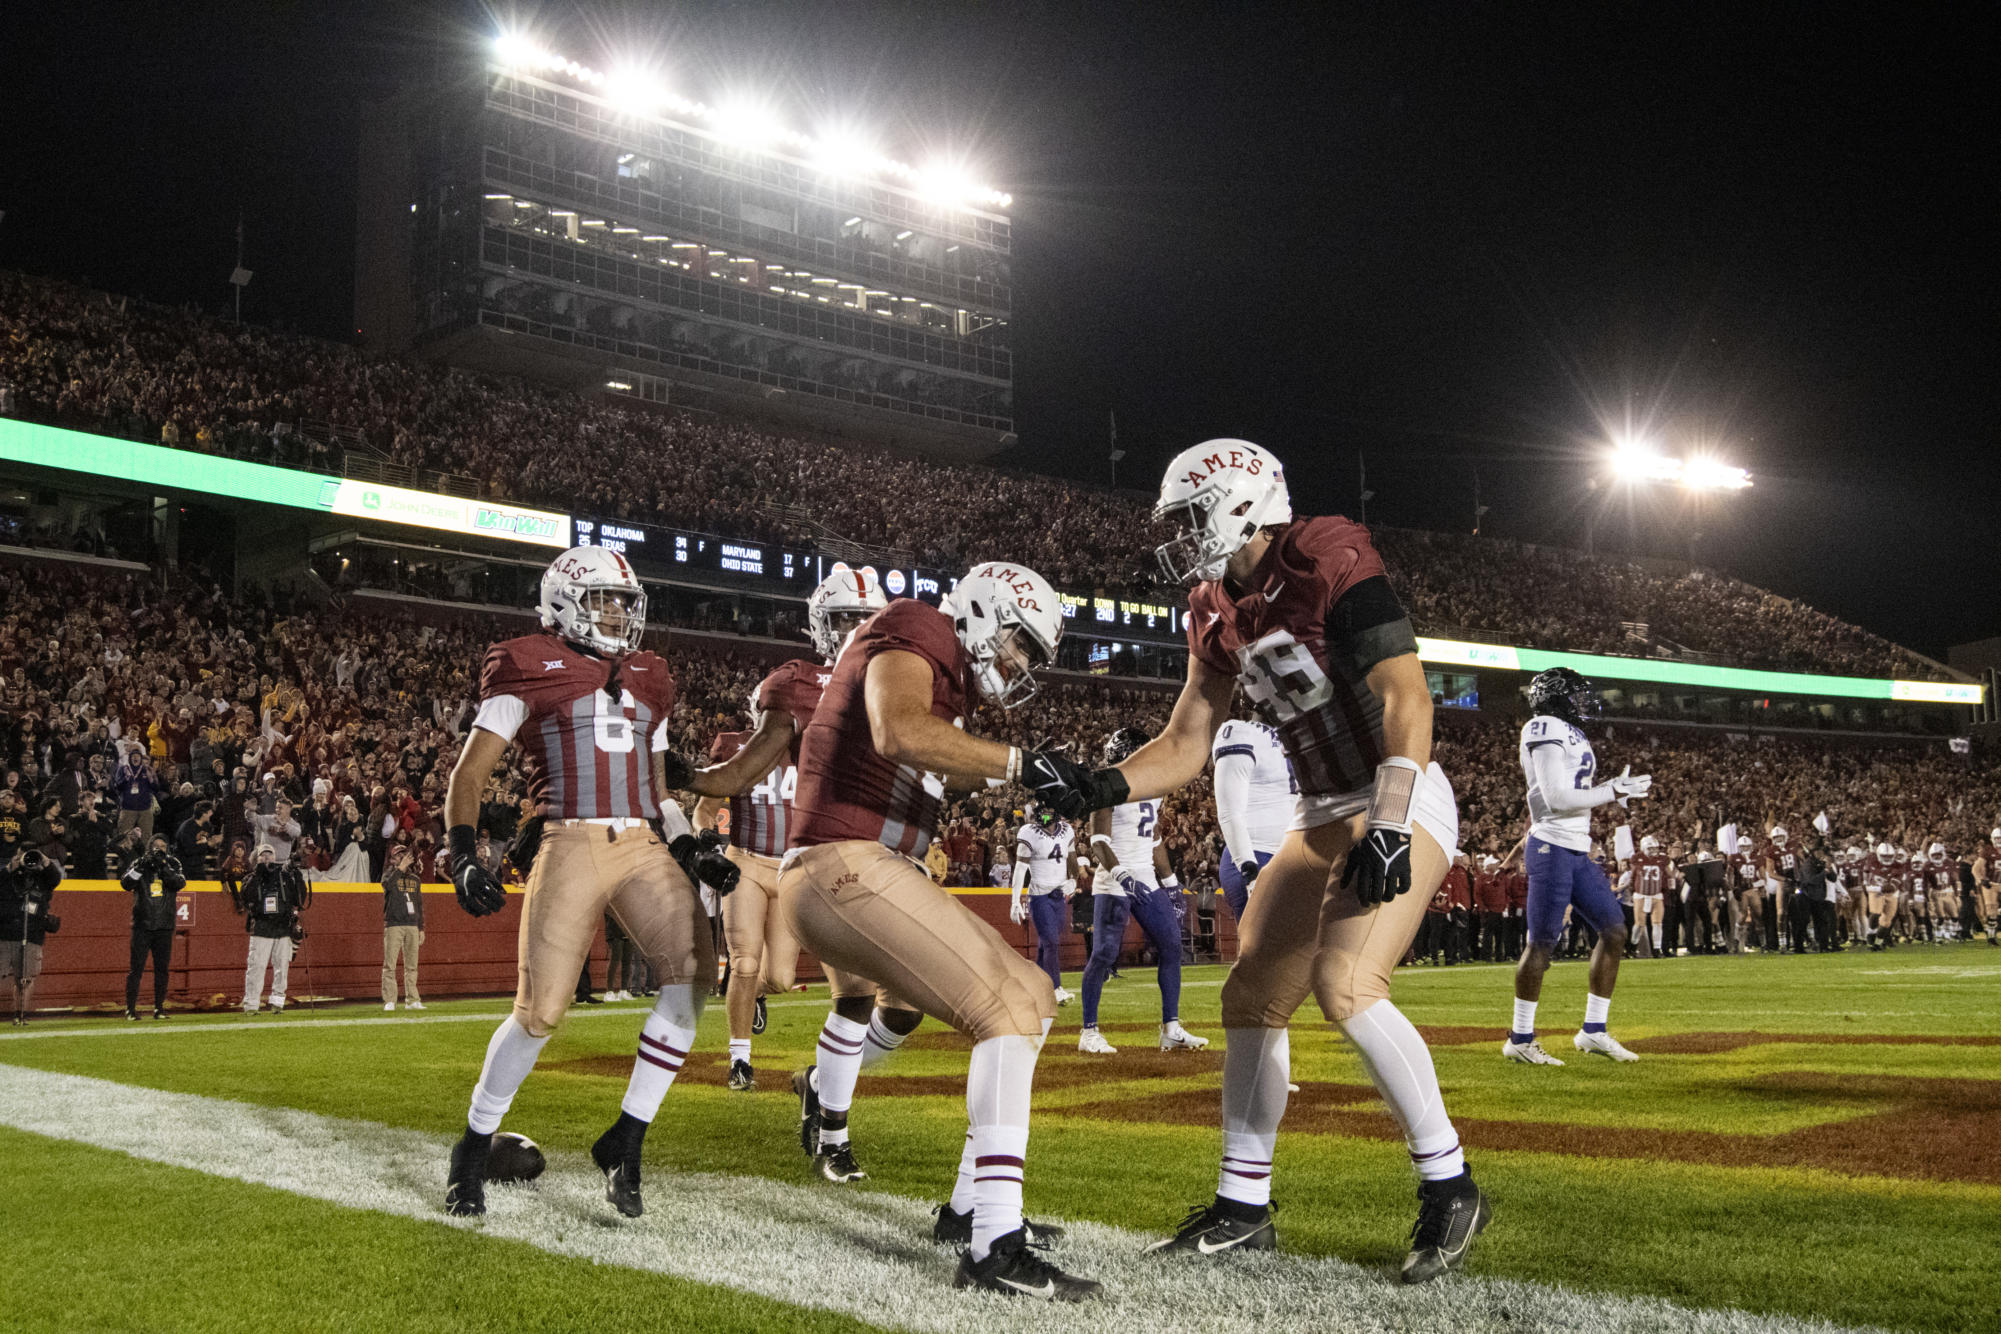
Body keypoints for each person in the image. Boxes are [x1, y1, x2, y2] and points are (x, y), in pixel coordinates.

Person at [1047, 439, 1483, 1283]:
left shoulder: (1320, 552)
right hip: (1319, 806)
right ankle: (1243, 1206)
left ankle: (1450, 1183)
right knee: (1251, 995)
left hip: (1398, 788)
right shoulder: (1212, 605)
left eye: (1185, 516)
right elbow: (1185, 741)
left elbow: (1405, 693)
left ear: (1240, 501)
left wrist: (1389, 822)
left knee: (1346, 986)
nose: (1177, 537)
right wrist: (1103, 781)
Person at [777, 558, 1099, 1298]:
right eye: (1017, 642)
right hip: (842, 862)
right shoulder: (920, 622)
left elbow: (923, 752)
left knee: (1034, 995)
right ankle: (993, 1248)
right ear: (983, 612)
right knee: (1008, 1010)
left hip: (864, 868)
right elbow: (896, 731)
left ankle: (969, 1212)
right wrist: (1023, 765)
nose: (1016, 664)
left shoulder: (946, 677)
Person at [439, 545, 734, 1221]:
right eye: (603, 600)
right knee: (540, 1011)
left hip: (637, 841)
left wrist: (692, 846)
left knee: (693, 975)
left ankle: (626, 1138)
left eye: (624, 603)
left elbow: (657, 792)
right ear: (565, 603)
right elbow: (468, 775)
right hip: (569, 837)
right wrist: (461, 852)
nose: (616, 615)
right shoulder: (525, 663)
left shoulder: (649, 675)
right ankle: (474, 1145)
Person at [687, 564, 899, 1101]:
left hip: (793, 867)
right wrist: (708, 842)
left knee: (779, 977)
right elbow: (711, 799)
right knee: (746, 960)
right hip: (746, 862)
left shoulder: (828, 735)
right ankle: (739, 1059)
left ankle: (750, 996)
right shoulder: (745, 741)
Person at [1503, 667, 1649, 1067]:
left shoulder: (1573, 733)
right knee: (1542, 943)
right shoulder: (1543, 725)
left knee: (1615, 930)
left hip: (1575, 849)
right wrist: (1611, 791)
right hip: (1550, 846)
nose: (1582, 702)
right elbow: (1555, 798)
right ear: (1554, 696)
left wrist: (1610, 794)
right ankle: (1519, 1038)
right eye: (1575, 694)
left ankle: (1594, 1031)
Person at [1082, 727, 1206, 1053]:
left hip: (1146, 878)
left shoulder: (1153, 784)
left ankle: (1171, 1028)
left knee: (1172, 944)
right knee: (1105, 953)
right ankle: (1089, 1032)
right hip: (1114, 878)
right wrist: (1123, 877)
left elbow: (1153, 839)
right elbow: (1098, 841)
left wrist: (1171, 883)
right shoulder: (1107, 784)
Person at [1211, 717, 1293, 923]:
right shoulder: (1242, 732)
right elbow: (1229, 812)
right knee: (1264, 950)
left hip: (1292, 855)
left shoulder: (1300, 731)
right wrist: (1249, 871)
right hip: (1256, 855)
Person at [1010, 805, 1078, 1010]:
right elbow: (1020, 868)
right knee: (1051, 942)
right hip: (1040, 896)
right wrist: (1014, 900)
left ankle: (1033, 987)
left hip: (1059, 895)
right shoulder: (1028, 832)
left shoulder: (1067, 831)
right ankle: (1054, 988)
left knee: (1044, 945)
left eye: (1047, 810)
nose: (1042, 814)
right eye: (1040, 809)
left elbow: (1072, 860)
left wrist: (1073, 881)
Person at [119, 834, 186, 1020]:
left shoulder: (173, 863)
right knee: (136, 969)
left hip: (164, 924)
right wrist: (141, 866)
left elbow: (179, 883)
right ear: (149, 847)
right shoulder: (140, 862)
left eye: (162, 846)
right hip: (142, 924)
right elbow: (125, 883)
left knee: (162, 969)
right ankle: (130, 1009)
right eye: (156, 846)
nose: (159, 849)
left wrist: (163, 865)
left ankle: (159, 1008)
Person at [238, 843, 309, 1013]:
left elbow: (300, 898)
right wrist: (258, 873)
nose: (267, 857)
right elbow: (246, 895)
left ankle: (278, 1003)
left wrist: (296, 873)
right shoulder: (251, 877)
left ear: (275, 857)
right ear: (257, 858)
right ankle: (252, 1005)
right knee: (256, 967)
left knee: (282, 968)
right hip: (262, 927)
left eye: (270, 854)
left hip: (283, 927)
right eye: (263, 855)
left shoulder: (284, 877)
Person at [1, 849, 63, 1024]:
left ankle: (20, 1014)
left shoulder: (43, 878)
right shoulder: (8, 876)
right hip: (5, 933)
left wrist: (44, 860)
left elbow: (55, 879)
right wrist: (10, 868)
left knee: (26, 978)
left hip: (33, 933)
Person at [382, 843, 425, 1011]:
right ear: (393, 859)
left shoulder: (415, 879)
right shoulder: (388, 875)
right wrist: (400, 869)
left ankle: (412, 999)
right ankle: (390, 1000)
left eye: (404, 854)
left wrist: (420, 927)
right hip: (394, 924)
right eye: (399, 855)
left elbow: (419, 905)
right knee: (390, 964)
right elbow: (388, 887)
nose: (403, 858)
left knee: (412, 965)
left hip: (411, 925)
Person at [1629, 836, 1675, 958]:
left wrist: (1675, 878)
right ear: (1643, 847)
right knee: (1639, 924)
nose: (1653, 850)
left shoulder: (1662, 859)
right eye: (1650, 848)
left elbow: (1670, 874)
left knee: (1657, 923)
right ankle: (1632, 946)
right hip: (1641, 895)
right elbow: (1632, 876)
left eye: (1655, 848)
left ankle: (1656, 949)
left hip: (1656, 895)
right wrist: (1630, 889)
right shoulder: (1637, 858)